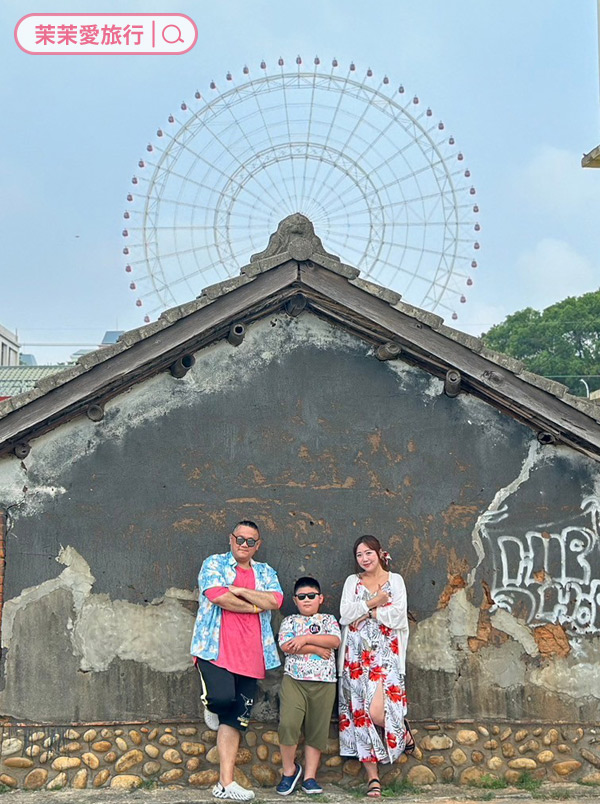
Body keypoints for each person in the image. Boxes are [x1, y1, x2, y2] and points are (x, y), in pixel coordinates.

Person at [191, 520, 284, 802]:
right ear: (231, 539)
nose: (244, 545)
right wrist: (256, 603)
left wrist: (240, 591)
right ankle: (211, 704)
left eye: (250, 541)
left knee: (234, 720)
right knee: (221, 700)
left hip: (252, 653)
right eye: (239, 539)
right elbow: (217, 596)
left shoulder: (265, 572)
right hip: (214, 648)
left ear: (258, 545)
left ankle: (225, 783)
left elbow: (276, 600)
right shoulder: (214, 564)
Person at [338, 536, 412, 798]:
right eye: (359, 555)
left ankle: (401, 732)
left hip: (386, 657)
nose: (364, 559)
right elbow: (345, 615)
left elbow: (398, 616)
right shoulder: (352, 582)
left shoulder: (396, 581)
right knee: (361, 715)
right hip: (356, 659)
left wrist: (369, 614)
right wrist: (373, 602)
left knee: (377, 712)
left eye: (368, 553)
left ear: (380, 554)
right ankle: (373, 778)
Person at [276, 577, 341, 796]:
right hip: (295, 680)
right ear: (295, 600)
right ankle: (289, 771)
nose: (306, 600)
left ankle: (310, 777)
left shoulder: (329, 619)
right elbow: (286, 646)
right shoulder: (290, 621)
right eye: (301, 597)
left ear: (320, 598)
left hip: (324, 682)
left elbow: (334, 641)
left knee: (317, 729)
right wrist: (314, 648)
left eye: (311, 596)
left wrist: (303, 640)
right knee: (288, 724)